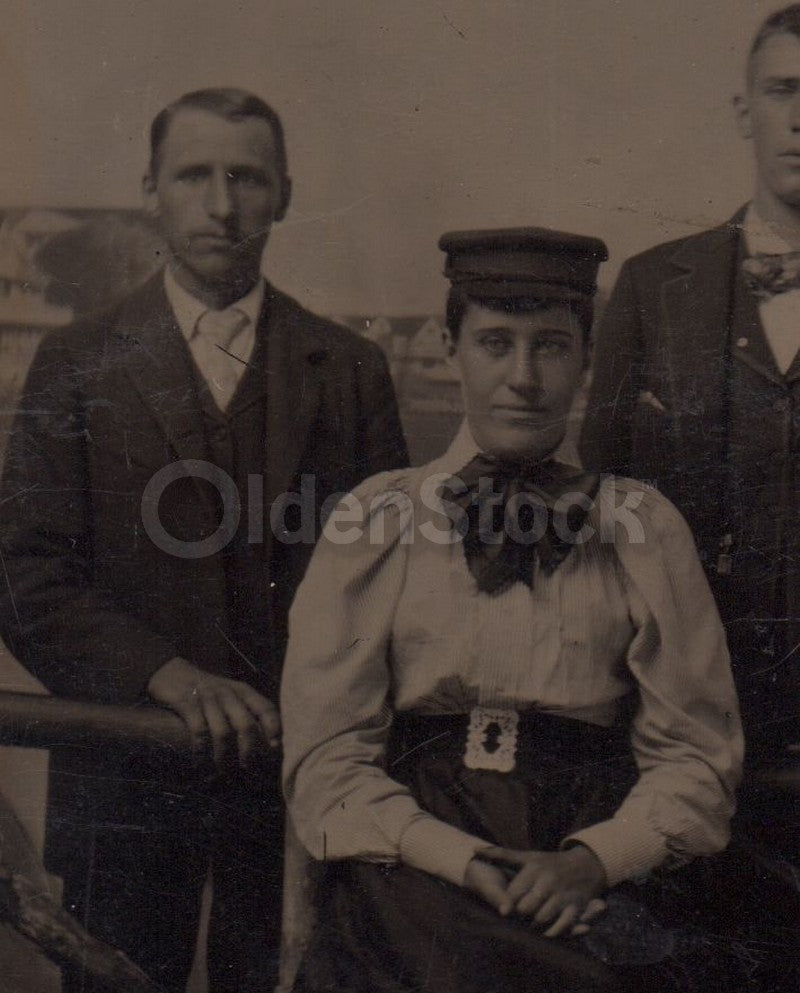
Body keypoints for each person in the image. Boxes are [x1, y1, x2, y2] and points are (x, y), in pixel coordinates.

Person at [0, 88, 407, 993]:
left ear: (286, 195)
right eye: (195, 175)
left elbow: (393, 581)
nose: (222, 205)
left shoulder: (349, 369)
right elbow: (26, 576)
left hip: (295, 787)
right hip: (124, 777)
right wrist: (167, 675)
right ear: (152, 188)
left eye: (247, 178)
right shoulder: (75, 362)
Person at [281, 228, 755, 992]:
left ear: (588, 359)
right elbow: (327, 755)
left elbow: (697, 755)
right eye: (495, 343)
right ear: (449, 346)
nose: (524, 377)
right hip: (416, 861)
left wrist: (593, 859)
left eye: (552, 346)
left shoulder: (641, 525)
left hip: (586, 859)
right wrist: (457, 857)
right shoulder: (379, 518)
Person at [580, 6, 800, 772]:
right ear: (746, 112)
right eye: (784, 91)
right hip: (681, 720)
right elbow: (597, 505)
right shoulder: (651, 286)